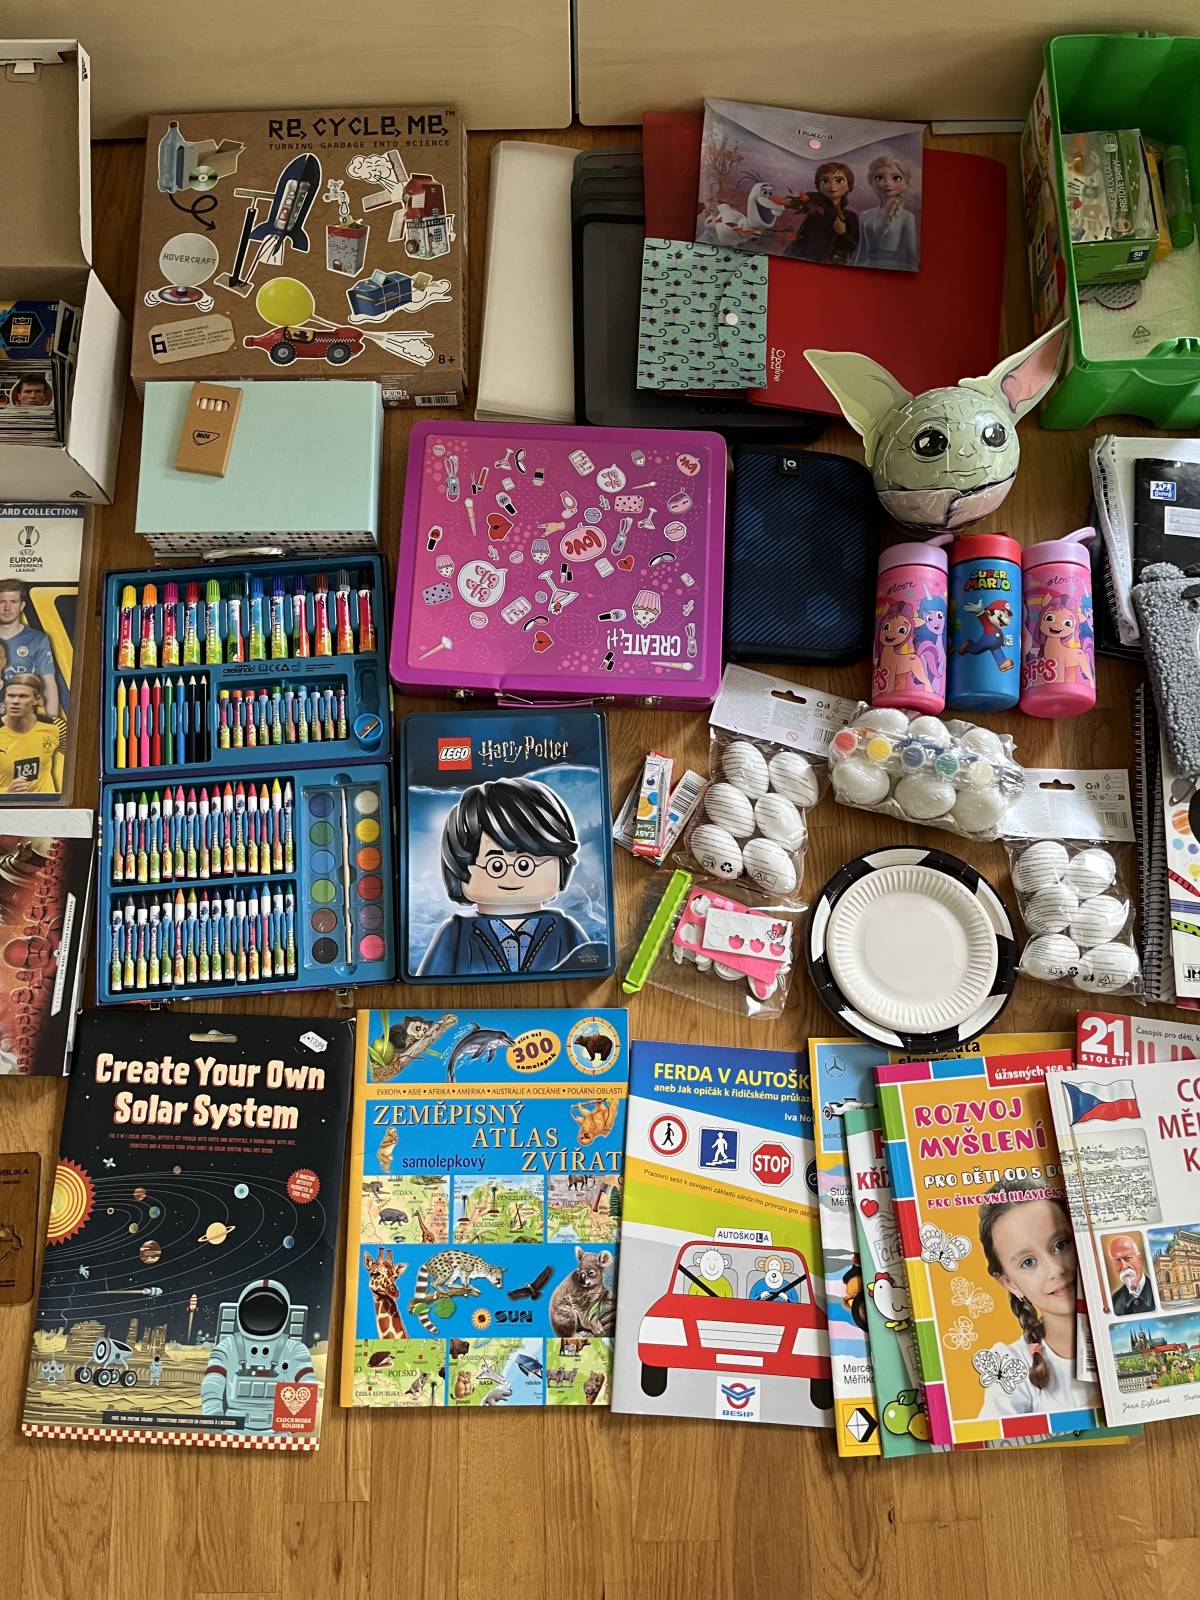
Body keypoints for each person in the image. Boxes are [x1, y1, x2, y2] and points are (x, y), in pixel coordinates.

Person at [418, 776, 590, 978]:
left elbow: (591, 968)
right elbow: (430, 980)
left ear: (561, 861)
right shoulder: (455, 933)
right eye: (496, 865)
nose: (510, 876)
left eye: (524, 865)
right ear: (458, 864)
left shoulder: (566, 930)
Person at [975, 1181, 1100, 1418]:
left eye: (1061, 1245)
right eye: (1028, 1262)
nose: (1056, 1269)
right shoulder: (1012, 1365)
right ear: (1010, 1283)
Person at [783, 161, 860, 265]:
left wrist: (843, 233)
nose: (832, 186)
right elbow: (803, 243)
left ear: (849, 185)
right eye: (825, 181)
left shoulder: (851, 216)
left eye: (839, 180)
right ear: (818, 185)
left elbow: (856, 248)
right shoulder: (817, 210)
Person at [0, 580, 58, 714]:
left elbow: (49, 684)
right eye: (2, 602)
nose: (7, 608)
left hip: (22, 719)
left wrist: (53, 720)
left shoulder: (37, 639)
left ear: (22, 605)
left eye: (13, 602)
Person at [855, 151, 919, 271]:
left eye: (896, 178)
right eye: (880, 178)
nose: (888, 183)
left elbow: (912, 254)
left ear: (905, 183)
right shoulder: (865, 215)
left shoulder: (907, 217)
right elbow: (861, 250)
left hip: (892, 270)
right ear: (871, 182)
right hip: (867, 268)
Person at [0, 674, 62, 795]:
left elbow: (74, 758)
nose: (15, 701)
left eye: (23, 696)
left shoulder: (56, 726)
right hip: (6, 805)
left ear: (36, 700)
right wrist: (6, 793)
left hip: (46, 804)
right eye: (11, 696)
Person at [1108, 1234, 1156, 1316]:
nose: (1124, 1266)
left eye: (1128, 1258)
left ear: (1139, 1259)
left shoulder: (1158, 1290)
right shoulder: (1113, 1300)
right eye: (1117, 1260)